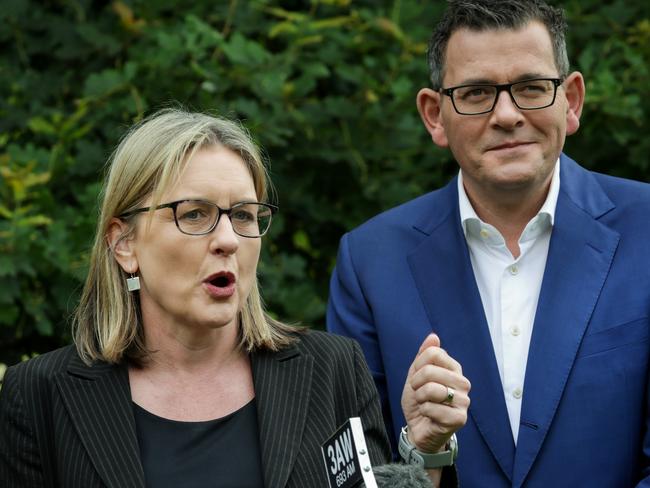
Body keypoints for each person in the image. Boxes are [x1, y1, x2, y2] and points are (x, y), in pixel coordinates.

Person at [0, 108, 464, 487]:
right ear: (125, 245)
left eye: (243, 215)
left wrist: (424, 449)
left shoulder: (332, 370)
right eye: (195, 214)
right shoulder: (40, 395)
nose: (228, 239)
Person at [327, 1, 650, 486]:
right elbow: (355, 478)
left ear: (572, 101)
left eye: (531, 88)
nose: (507, 115)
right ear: (435, 116)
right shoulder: (370, 263)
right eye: (477, 93)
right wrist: (423, 453)